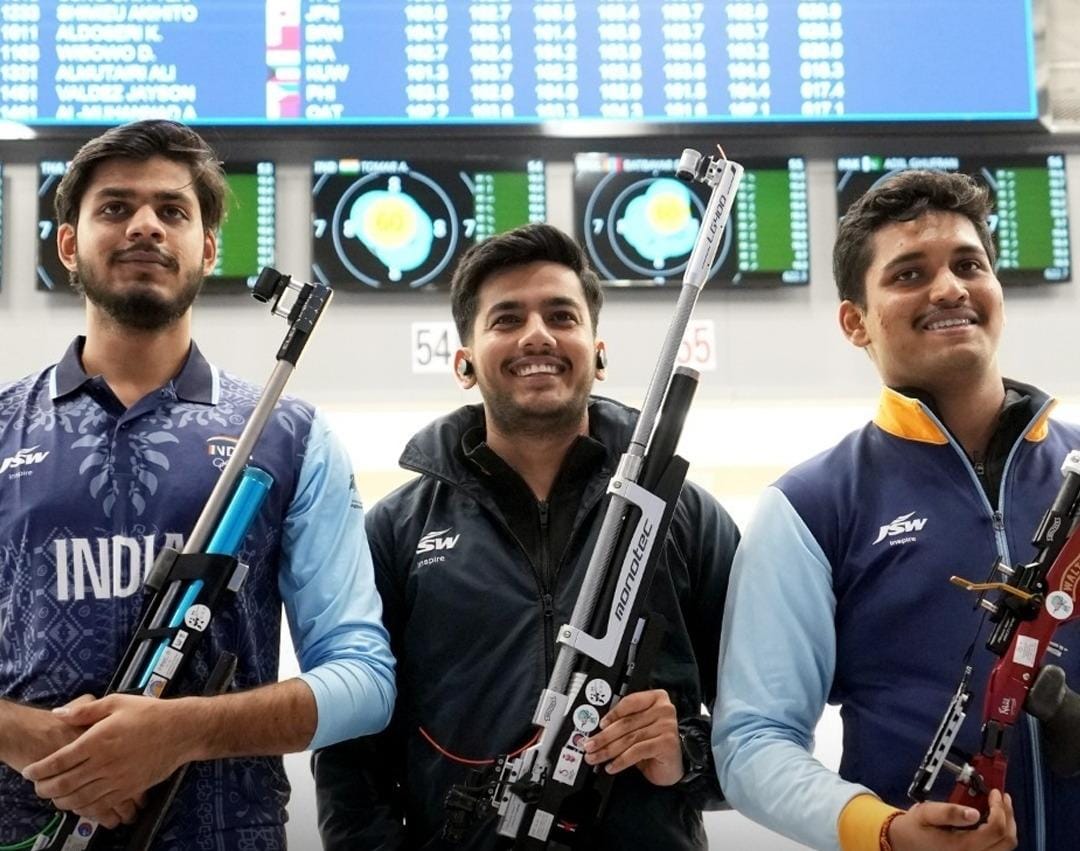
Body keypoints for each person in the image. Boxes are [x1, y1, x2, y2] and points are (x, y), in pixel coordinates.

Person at [0, 120, 396, 849]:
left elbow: (365, 681)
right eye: (115, 207)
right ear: (67, 245)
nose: (145, 225)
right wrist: (19, 731)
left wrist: (183, 731)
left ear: (207, 249)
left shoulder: (289, 434)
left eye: (173, 211)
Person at [313, 223, 739, 849]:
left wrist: (690, 753)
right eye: (506, 319)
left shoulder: (683, 518)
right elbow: (352, 757)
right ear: (463, 363)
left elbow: (765, 725)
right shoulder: (397, 532)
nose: (537, 335)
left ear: (598, 351)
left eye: (561, 316)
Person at [713, 169, 1080, 851]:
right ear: (855, 321)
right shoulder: (810, 508)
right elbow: (753, 740)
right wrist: (880, 830)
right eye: (909, 274)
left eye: (969, 264)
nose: (949, 287)